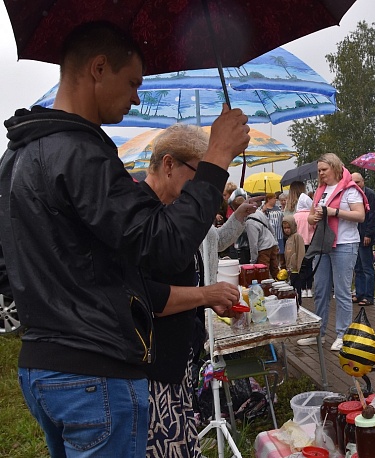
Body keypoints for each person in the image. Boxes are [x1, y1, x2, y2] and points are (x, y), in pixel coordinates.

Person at [0, 21, 250, 457]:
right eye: (133, 82)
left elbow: (9, 269)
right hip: (95, 371)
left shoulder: (16, 155)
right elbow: (163, 245)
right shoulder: (81, 153)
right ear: (99, 68)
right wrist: (216, 157)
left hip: (42, 366)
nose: (136, 97)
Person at [140, 124, 256, 456]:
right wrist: (205, 295)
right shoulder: (144, 215)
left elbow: (196, 261)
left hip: (176, 362)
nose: (204, 187)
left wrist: (205, 300)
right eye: (199, 174)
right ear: (168, 165)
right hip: (152, 368)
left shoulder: (175, 212)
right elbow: (147, 297)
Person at [296, 153, 366, 351]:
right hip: (323, 244)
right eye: (318, 170)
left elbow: (360, 215)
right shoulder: (321, 190)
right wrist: (315, 217)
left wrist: (334, 212)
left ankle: (343, 334)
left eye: (324, 169)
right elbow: (310, 218)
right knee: (320, 290)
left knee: (342, 291)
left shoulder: (349, 189)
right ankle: (319, 332)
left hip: (344, 243)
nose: (320, 173)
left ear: (335, 168)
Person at [351, 172, 375, 307]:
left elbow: (373, 217)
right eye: (353, 182)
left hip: (365, 236)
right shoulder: (352, 194)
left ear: (363, 182)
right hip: (355, 235)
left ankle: (369, 296)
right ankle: (359, 293)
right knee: (358, 267)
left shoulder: (370, 194)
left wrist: (368, 234)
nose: (355, 185)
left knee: (367, 267)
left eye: (357, 182)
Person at [292, 182, 316, 298]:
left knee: (301, 266)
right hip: (310, 243)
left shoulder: (295, 216)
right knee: (310, 266)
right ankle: (309, 288)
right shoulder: (311, 216)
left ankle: (302, 288)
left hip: (299, 244)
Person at [246, 201, 279, 275]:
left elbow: (253, 244)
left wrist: (253, 261)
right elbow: (271, 229)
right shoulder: (259, 212)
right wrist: (276, 243)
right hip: (272, 244)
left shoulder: (250, 223)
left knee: (263, 274)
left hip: (263, 249)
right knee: (275, 271)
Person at [282, 215, 306, 306]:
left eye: (288, 227)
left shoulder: (297, 237)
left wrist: (300, 269)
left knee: (297, 292)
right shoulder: (288, 239)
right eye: (284, 228)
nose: (286, 230)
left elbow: (300, 253)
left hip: (297, 271)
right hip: (290, 271)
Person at [263, 193, 285, 277]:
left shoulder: (278, 208)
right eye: (274, 198)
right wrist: (263, 210)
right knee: (272, 253)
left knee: (280, 253)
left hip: (279, 234)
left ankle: (280, 270)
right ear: (269, 199)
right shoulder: (264, 209)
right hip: (270, 235)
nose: (275, 200)